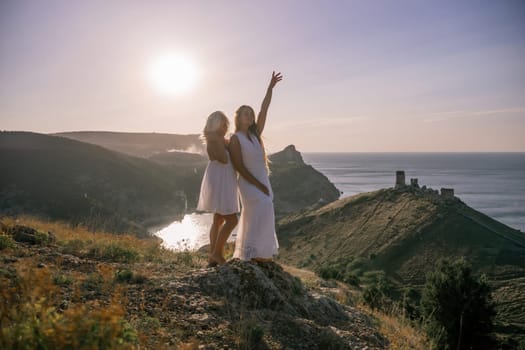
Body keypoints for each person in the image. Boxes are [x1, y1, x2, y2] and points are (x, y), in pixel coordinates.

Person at [229, 71, 282, 262]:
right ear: (238, 118)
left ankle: (259, 253)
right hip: (248, 182)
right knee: (259, 209)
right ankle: (249, 253)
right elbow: (239, 167)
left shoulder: (255, 135)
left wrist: (270, 88)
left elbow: (264, 109)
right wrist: (258, 185)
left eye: (251, 114)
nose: (250, 116)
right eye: (246, 114)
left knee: (265, 211)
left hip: (262, 180)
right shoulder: (236, 138)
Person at [196, 111, 239, 266]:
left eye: (225, 123)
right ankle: (216, 254)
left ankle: (212, 258)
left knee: (218, 219)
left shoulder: (214, 138)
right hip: (222, 179)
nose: (224, 125)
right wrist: (225, 143)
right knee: (232, 220)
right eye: (221, 123)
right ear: (214, 124)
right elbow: (223, 158)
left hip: (220, 177)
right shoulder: (215, 139)